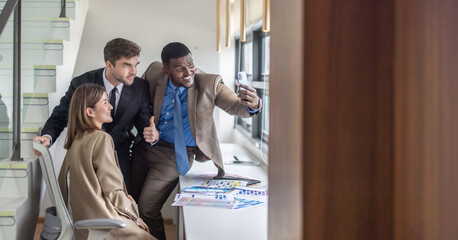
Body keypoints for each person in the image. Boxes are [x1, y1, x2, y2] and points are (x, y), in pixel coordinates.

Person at [130, 42, 262, 239]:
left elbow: (235, 106)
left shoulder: (210, 83)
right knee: (129, 204)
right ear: (166, 70)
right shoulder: (153, 72)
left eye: (190, 64)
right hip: (145, 146)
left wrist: (254, 105)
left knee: (147, 208)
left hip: (175, 155)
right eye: (179, 68)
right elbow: (137, 100)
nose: (188, 72)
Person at [32, 38, 157, 185]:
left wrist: (153, 136)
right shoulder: (82, 83)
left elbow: (145, 125)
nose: (134, 72)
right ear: (109, 65)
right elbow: (61, 115)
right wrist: (47, 137)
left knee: (119, 202)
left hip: (118, 157)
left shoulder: (140, 87)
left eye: (136, 65)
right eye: (126, 65)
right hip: (85, 155)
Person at [57, 83, 155, 239]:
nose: (110, 106)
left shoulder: (77, 139)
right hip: (104, 222)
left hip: (84, 221)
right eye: (104, 102)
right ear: (89, 111)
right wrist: (133, 214)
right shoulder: (101, 138)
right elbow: (112, 189)